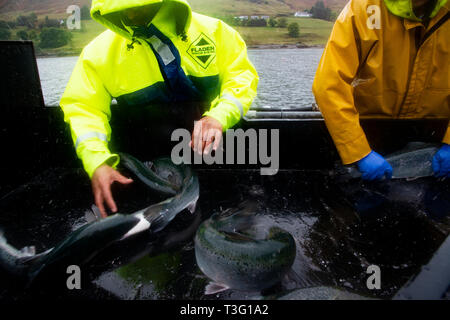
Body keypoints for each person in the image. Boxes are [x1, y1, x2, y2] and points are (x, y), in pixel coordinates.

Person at [60, 0, 258, 217]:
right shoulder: (96, 55)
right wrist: (97, 160)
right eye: (122, 9)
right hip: (152, 168)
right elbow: (84, 107)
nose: (133, 14)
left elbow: (240, 78)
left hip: (222, 158)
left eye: (144, 6)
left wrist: (218, 117)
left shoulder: (217, 32)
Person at [313, 0, 449, 181]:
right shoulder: (362, 9)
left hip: (438, 143)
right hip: (369, 139)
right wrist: (358, 152)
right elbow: (329, 85)